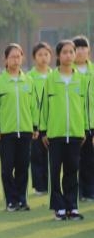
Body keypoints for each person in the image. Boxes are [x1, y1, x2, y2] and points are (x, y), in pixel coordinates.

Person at [39, 40, 91, 221]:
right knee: (55, 172)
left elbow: (86, 107)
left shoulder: (82, 80)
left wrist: (85, 130)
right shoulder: (50, 80)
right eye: (65, 52)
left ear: (75, 55)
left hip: (76, 134)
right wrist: (44, 131)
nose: (68, 55)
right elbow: (44, 107)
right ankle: (58, 208)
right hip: (55, 134)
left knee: (72, 172)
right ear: (59, 56)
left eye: (71, 52)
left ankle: (72, 207)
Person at [0, 44, 38, 212]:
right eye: (12, 57)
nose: (16, 60)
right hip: (5, 133)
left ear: (22, 58)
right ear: (5, 60)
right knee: (7, 168)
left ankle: (22, 200)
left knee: (23, 167)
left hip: (25, 131)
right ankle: (11, 201)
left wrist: (35, 126)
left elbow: (34, 106)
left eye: (18, 56)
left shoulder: (29, 81)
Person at [28, 42, 53, 195]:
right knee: (37, 156)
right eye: (40, 55)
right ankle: (39, 186)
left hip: (53, 123)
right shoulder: (29, 77)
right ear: (34, 57)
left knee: (53, 157)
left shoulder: (54, 75)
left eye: (46, 54)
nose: (43, 58)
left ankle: (51, 184)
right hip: (36, 124)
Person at [72, 35, 94, 201]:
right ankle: (76, 192)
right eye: (76, 48)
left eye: (83, 47)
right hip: (73, 124)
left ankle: (89, 191)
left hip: (91, 123)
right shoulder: (66, 73)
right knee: (74, 161)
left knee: (89, 160)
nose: (80, 51)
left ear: (89, 50)